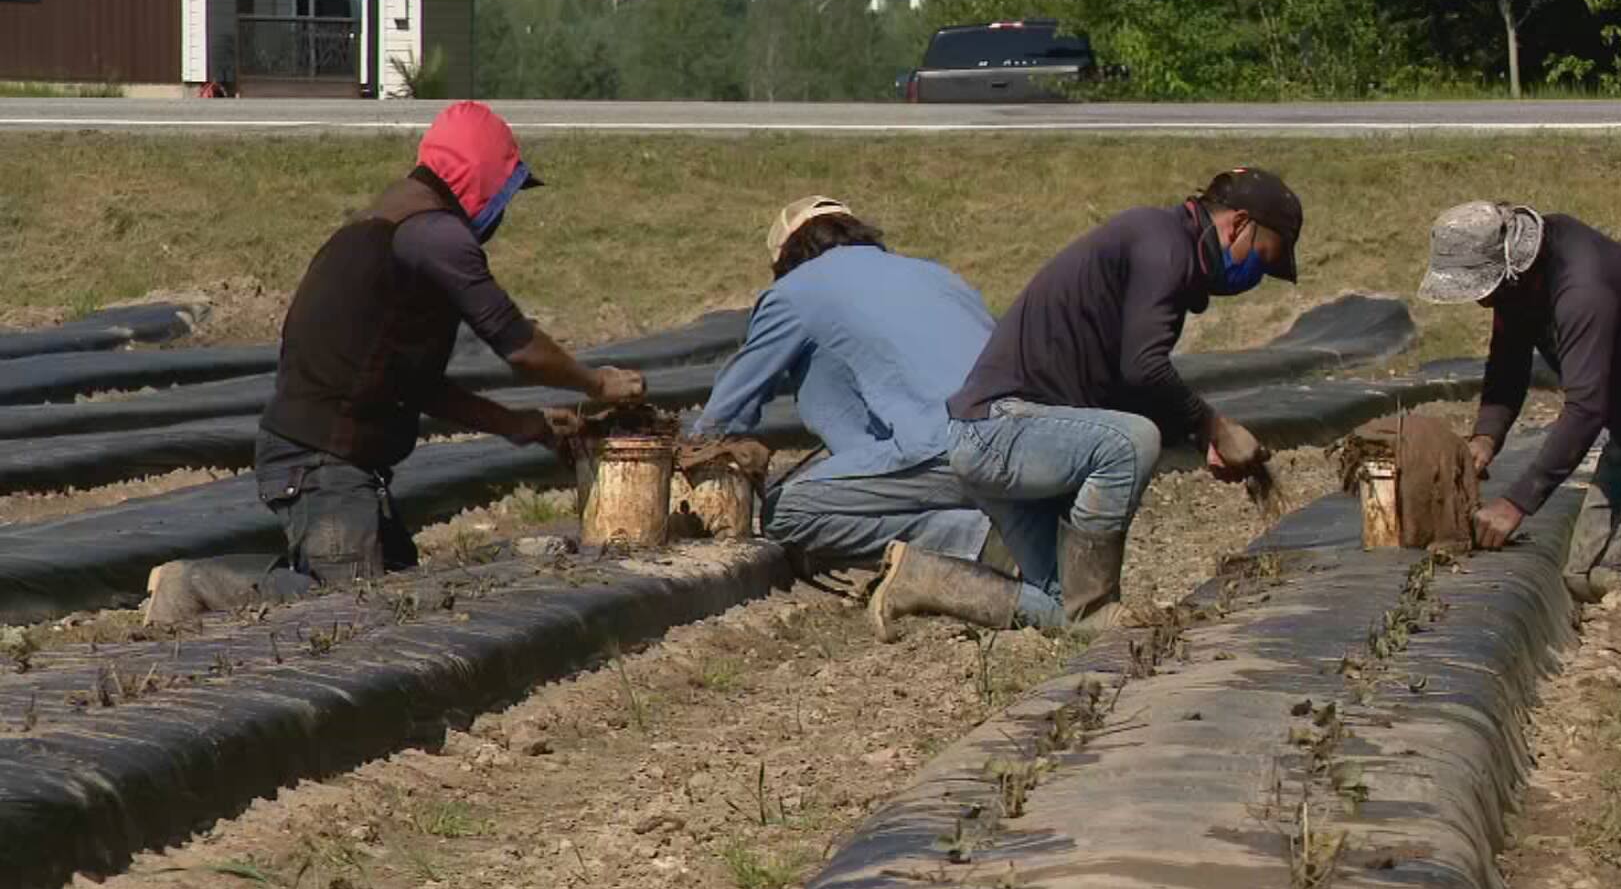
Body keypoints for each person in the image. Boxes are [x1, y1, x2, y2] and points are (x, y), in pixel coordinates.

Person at [145, 101, 644, 624]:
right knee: (354, 609)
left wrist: (520, 425)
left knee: (406, 593)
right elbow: (516, 343)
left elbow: (419, 385)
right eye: (505, 193)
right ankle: (198, 585)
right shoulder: (434, 235)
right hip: (320, 459)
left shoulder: (397, 222)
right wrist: (597, 383)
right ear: (482, 179)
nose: (503, 211)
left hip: (329, 457)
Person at [868, 167, 1303, 640]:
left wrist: (1202, 439)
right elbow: (1143, 367)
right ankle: (1097, 605)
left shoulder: (1159, 245)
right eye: (1264, 257)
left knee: (1063, 610)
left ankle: (922, 579)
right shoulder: (1164, 245)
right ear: (1238, 224)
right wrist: (1215, 425)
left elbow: (1128, 386)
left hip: (1010, 435)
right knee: (1131, 443)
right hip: (1001, 431)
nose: (1256, 276)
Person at [1417, 200, 1621, 609]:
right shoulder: (1521, 284)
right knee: (1580, 577)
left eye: (1482, 291)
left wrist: (1516, 503)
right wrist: (1485, 438)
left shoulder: (1583, 290)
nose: (1481, 303)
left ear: (1509, 269)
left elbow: (1586, 408)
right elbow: (1508, 364)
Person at [688, 195, 1005, 572]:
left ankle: (973, 540)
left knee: (787, 511)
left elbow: (724, 414)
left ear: (785, 259)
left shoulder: (794, 293)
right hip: (1024, 443)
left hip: (946, 448)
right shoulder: (939, 276)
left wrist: (692, 451)